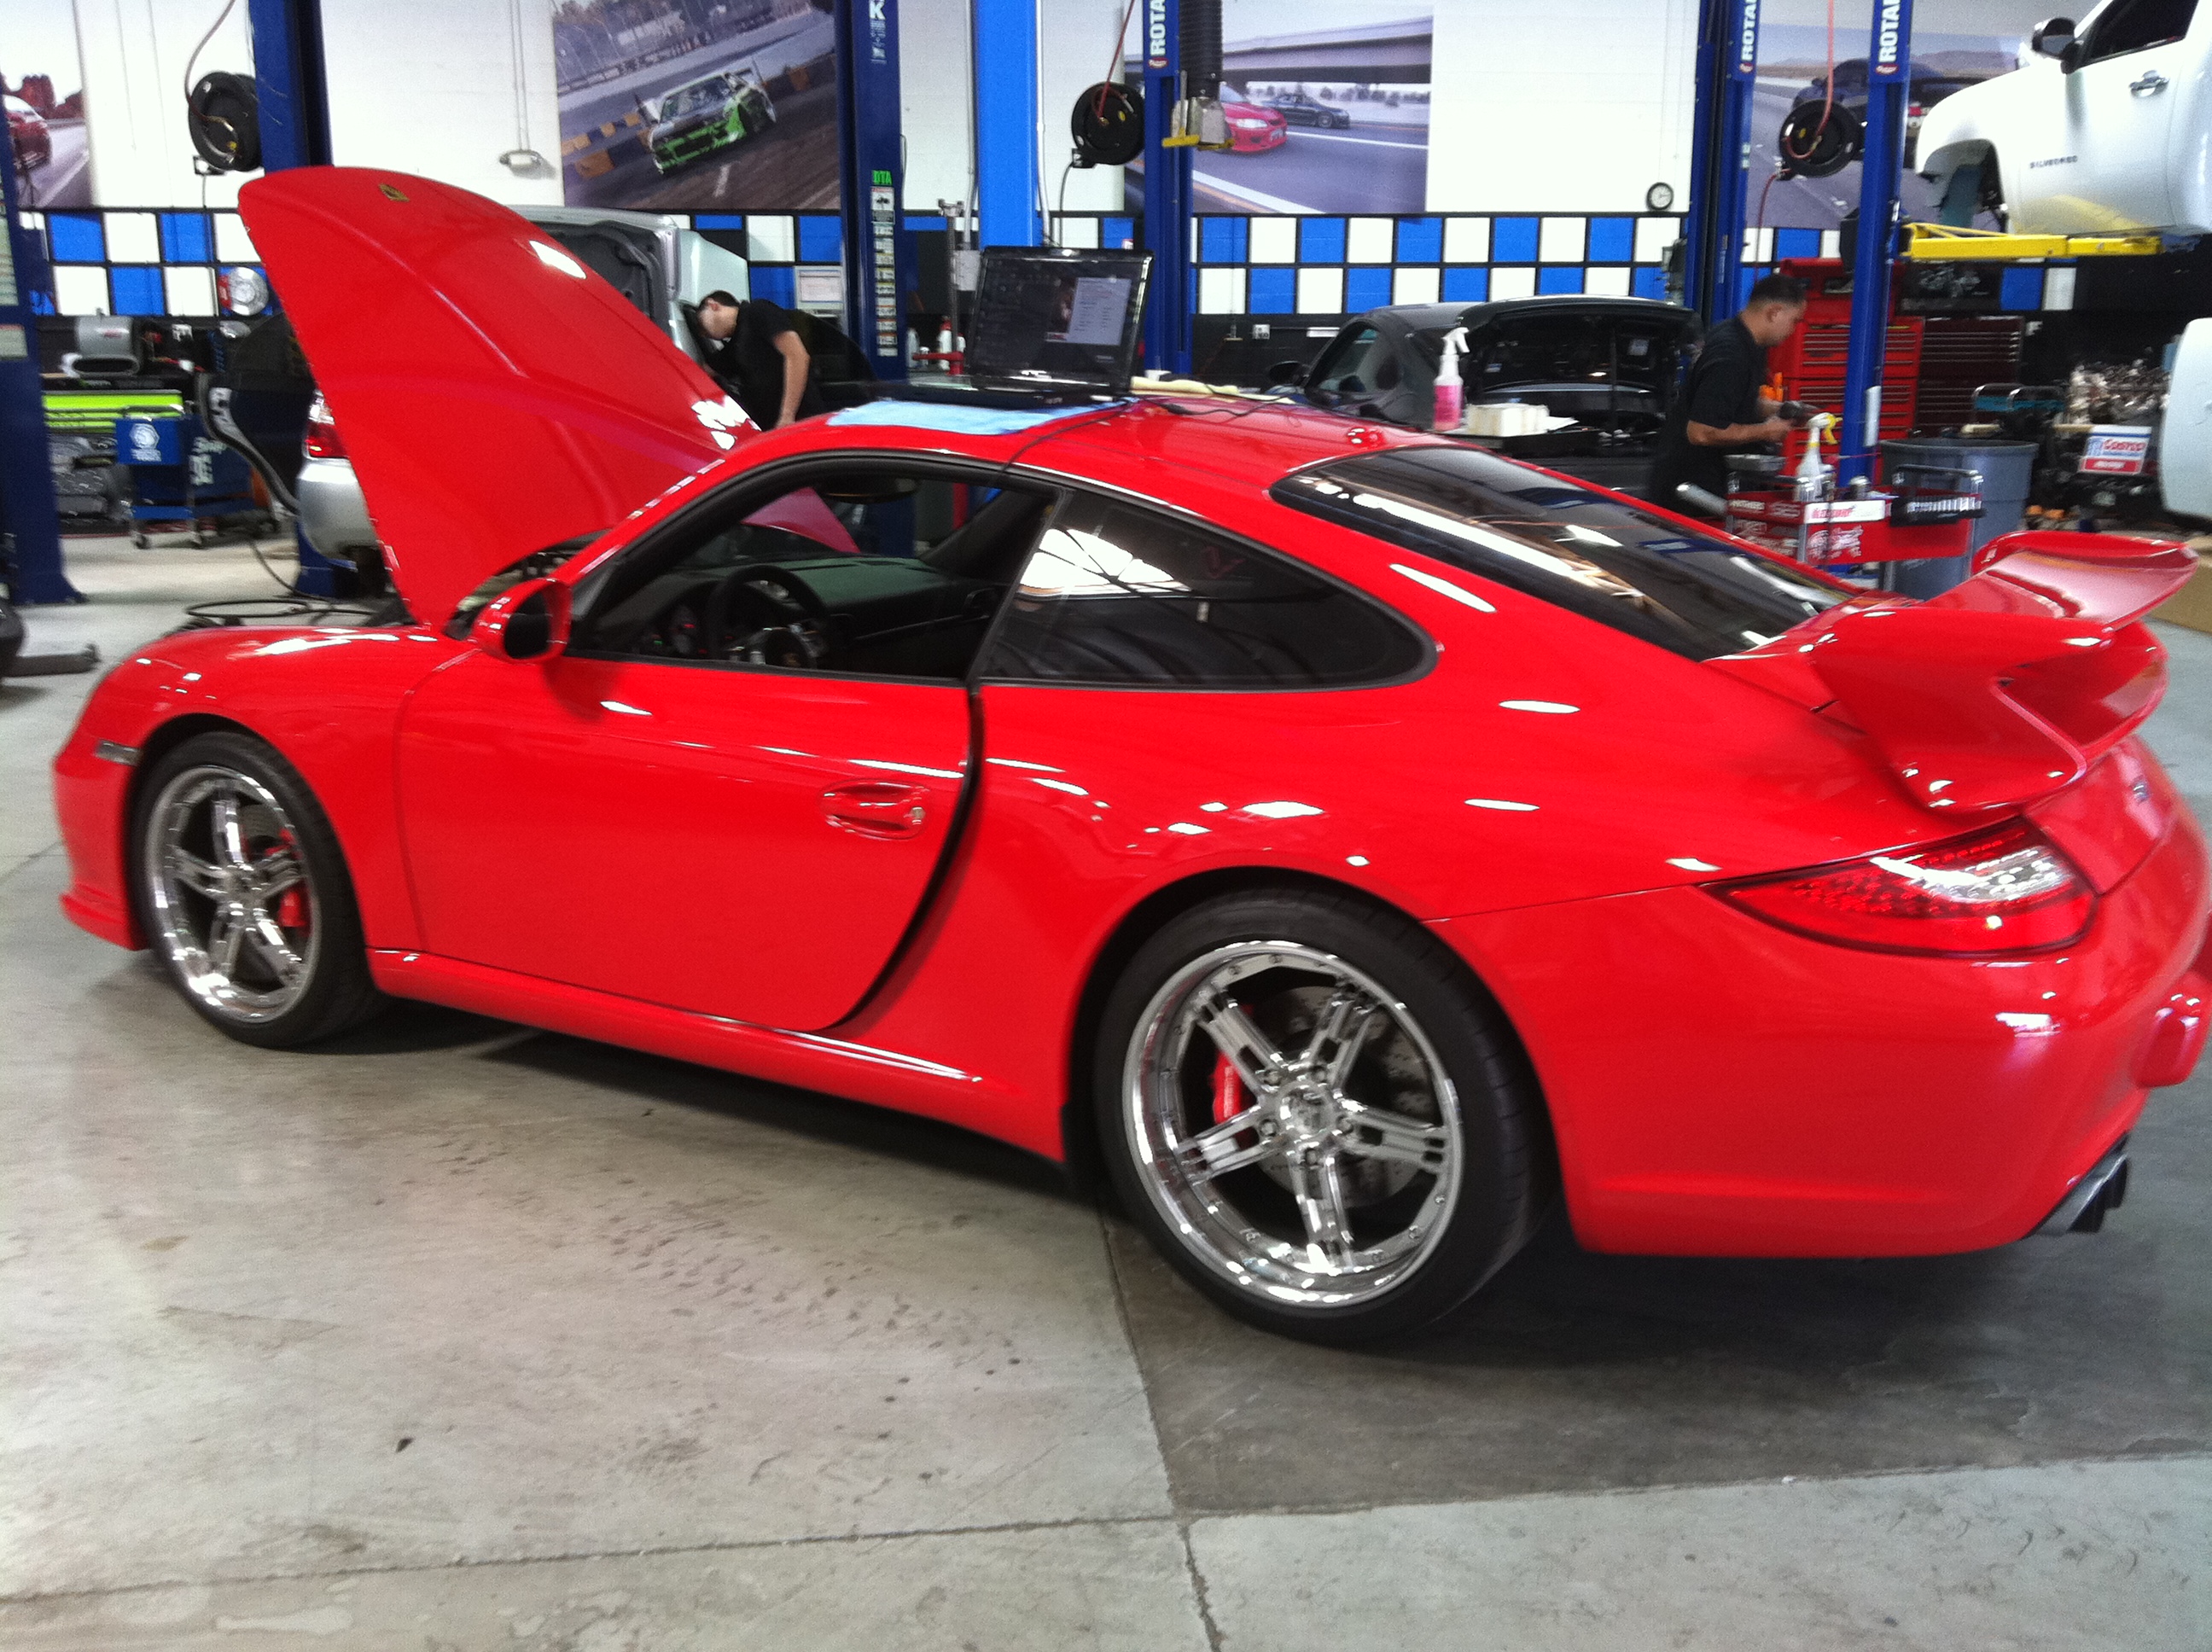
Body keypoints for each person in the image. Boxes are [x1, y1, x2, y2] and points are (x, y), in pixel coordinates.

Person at [1647, 273, 1816, 514]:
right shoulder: (1730, 355)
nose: (1793, 329)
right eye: (1794, 320)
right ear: (1774, 312)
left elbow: (1735, 400)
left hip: (1710, 484)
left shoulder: (1745, 341)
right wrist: (1765, 431)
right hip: (1692, 496)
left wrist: (1781, 409)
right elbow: (1701, 432)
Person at [687, 289, 824, 431]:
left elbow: (797, 356)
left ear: (712, 305)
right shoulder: (735, 346)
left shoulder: (758, 311)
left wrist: (787, 416)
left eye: (700, 323)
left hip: (799, 423)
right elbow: (699, 373)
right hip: (770, 429)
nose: (702, 333)